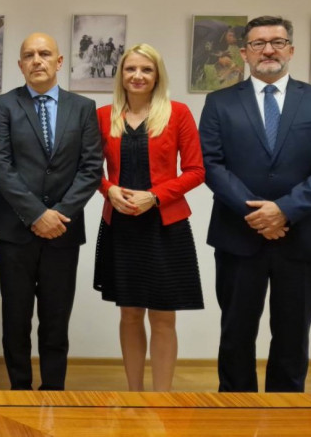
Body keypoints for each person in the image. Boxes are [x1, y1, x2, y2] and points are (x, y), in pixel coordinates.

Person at [200, 16, 311, 393]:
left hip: (302, 239)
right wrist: (257, 214)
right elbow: (212, 166)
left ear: (292, 50)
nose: (268, 49)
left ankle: (287, 418)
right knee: (235, 334)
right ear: (245, 53)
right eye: (258, 43)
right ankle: (235, 416)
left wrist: (284, 210)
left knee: (292, 337)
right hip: (238, 236)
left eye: (278, 42)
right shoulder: (219, 103)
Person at [0, 32, 102, 391]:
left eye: (45, 53)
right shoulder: (3, 105)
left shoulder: (82, 107)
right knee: (15, 319)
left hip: (63, 232)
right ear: (20, 65)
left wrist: (59, 214)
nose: (37, 60)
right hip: (14, 231)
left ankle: (54, 390)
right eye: (29, 55)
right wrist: (37, 214)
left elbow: (91, 167)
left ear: (59, 62)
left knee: (55, 318)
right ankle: (19, 389)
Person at [93, 44, 205, 392]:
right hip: (121, 225)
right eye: (131, 70)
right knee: (129, 313)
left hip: (165, 226)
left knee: (163, 315)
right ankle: (135, 395)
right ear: (121, 75)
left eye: (146, 70)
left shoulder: (178, 113)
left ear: (157, 76)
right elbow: (87, 168)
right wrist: (109, 189)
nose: (138, 76)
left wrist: (155, 197)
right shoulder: (102, 116)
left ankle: (162, 398)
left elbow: (196, 170)